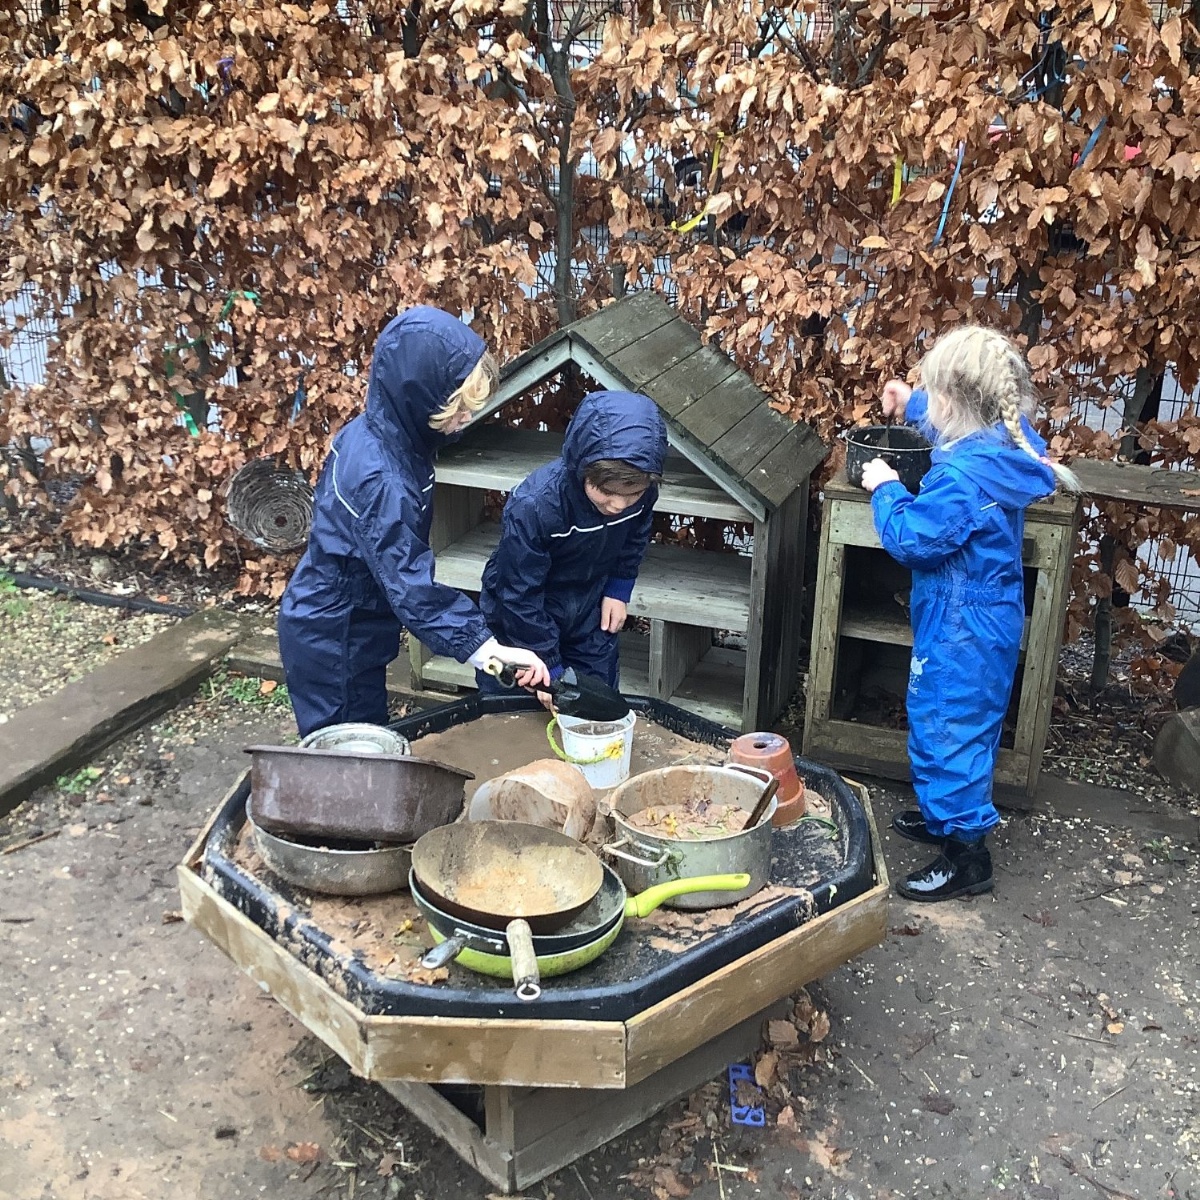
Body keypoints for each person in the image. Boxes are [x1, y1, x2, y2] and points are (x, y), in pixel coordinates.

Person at [859, 325, 1079, 902]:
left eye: (936, 397)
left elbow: (910, 538)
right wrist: (913, 403)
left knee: (945, 727)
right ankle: (944, 815)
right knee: (962, 725)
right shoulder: (1007, 443)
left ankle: (966, 856)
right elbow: (965, 420)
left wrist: (884, 487)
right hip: (989, 616)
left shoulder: (959, 480)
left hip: (960, 628)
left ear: (955, 404)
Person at [278, 307, 549, 737]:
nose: (466, 421)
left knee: (366, 729)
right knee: (346, 751)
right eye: (459, 410)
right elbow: (410, 584)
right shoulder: (383, 479)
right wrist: (487, 650)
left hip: (356, 620)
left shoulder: (384, 433)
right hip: (335, 635)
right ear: (419, 395)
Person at [477, 390, 668, 700]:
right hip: (519, 617)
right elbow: (518, 592)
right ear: (583, 467)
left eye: (631, 494)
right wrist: (549, 670)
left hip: (589, 607)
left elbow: (635, 537)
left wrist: (618, 589)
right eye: (606, 491)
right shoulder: (535, 505)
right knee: (514, 712)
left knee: (597, 702)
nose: (619, 504)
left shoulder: (642, 494)